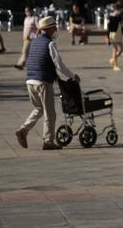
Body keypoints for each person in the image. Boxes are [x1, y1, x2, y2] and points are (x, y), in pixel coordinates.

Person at [15, 16, 78, 150]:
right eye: (54, 27)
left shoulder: (34, 42)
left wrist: (54, 74)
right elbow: (59, 64)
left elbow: (40, 60)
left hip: (30, 81)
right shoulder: (50, 43)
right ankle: (48, 141)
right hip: (42, 82)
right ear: (49, 29)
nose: (56, 29)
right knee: (50, 113)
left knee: (39, 109)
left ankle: (23, 130)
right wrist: (73, 76)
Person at [108, 1, 123, 70]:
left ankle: (113, 59)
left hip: (118, 33)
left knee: (122, 48)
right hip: (114, 33)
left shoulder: (117, 15)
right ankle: (115, 65)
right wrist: (107, 36)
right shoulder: (114, 16)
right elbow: (110, 27)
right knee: (115, 49)